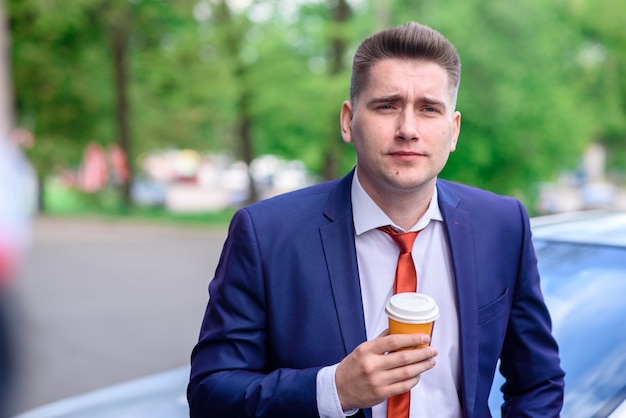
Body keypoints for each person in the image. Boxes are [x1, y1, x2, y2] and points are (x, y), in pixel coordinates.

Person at [188, 22, 564, 418]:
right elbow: (211, 393)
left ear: (452, 131)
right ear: (349, 121)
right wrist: (333, 389)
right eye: (387, 105)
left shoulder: (503, 226)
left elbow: (539, 383)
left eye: (428, 109)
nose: (408, 130)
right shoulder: (266, 235)